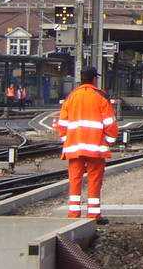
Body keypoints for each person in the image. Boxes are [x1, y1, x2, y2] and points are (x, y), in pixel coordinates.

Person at [56, 66, 118, 222]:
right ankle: (93, 214)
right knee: (94, 180)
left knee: (75, 180)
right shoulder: (100, 96)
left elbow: (62, 124)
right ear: (94, 79)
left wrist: (67, 141)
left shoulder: (71, 97)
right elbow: (110, 124)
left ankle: (73, 214)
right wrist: (108, 142)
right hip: (95, 147)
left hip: (74, 147)